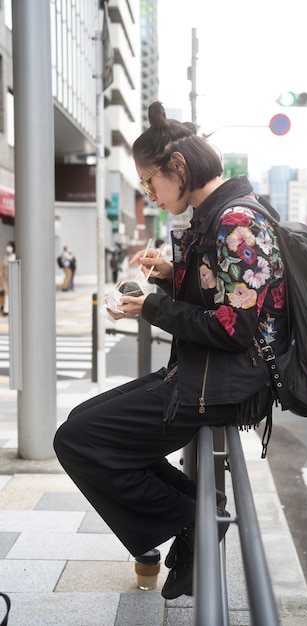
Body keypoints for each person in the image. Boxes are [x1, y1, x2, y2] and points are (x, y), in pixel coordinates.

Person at [53, 101, 287, 600]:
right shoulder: (216, 215)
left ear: (177, 168)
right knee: (80, 424)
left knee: (79, 439)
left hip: (225, 383)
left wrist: (151, 307)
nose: (150, 195)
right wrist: (167, 274)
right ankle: (195, 514)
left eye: (149, 183)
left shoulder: (236, 222)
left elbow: (233, 327)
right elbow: (216, 291)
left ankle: (194, 520)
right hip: (204, 376)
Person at [1, 241, 16, 316]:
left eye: (9, 246)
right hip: (6, 279)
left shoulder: (15, 256)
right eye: (7, 246)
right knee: (7, 294)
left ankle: (9, 309)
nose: (8, 248)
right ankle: (6, 310)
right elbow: (3, 269)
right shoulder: (6, 256)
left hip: (13, 279)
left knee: (11, 294)